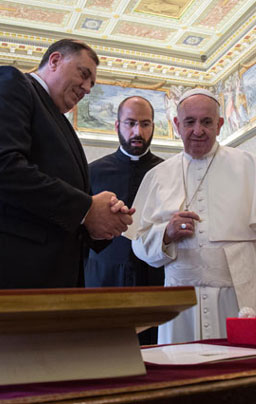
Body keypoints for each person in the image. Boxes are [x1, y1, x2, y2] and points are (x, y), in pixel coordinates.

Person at [0, 39, 133, 291]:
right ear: (55, 60)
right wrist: (86, 209)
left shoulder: (61, 122)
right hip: (2, 280)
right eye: (84, 74)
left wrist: (100, 224)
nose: (88, 88)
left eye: (92, 83)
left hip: (46, 283)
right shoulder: (9, 82)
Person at [127, 88, 256, 344]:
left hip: (242, 303)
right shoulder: (157, 176)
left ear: (219, 125)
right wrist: (165, 234)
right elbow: (138, 245)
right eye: (190, 122)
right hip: (180, 311)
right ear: (176, 125)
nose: (198, 130)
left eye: (206, 122)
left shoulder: (252, 166)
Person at [84, 96, 165, 345]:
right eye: (130, 123)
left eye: (145, 124)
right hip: (102, 282)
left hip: (154, 282)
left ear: (153, 127)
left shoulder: (168, 173)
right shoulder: (91, 172)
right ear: (117, 126)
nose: (137, 132)